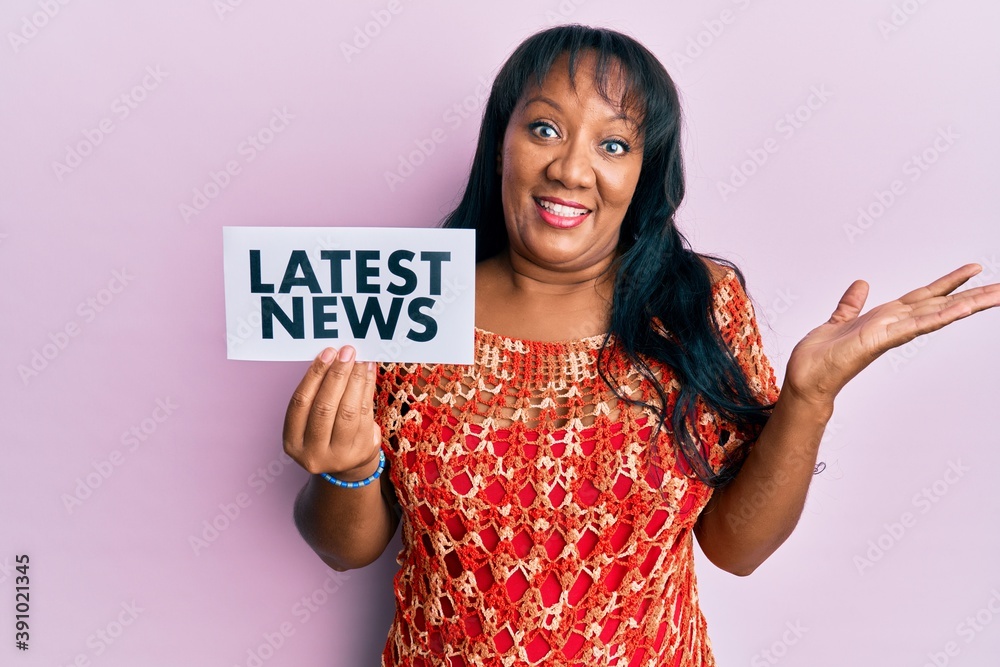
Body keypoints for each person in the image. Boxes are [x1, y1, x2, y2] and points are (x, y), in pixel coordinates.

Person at [282, 25, 1000, 666]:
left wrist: (810, 397)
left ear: (644, 172)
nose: (570, 168)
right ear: (500, 142)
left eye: (614, 143)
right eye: (543, 129)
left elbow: (736, 548)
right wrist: (344, 468)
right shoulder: (409, 301)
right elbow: (346, 548)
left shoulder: (699, 304)